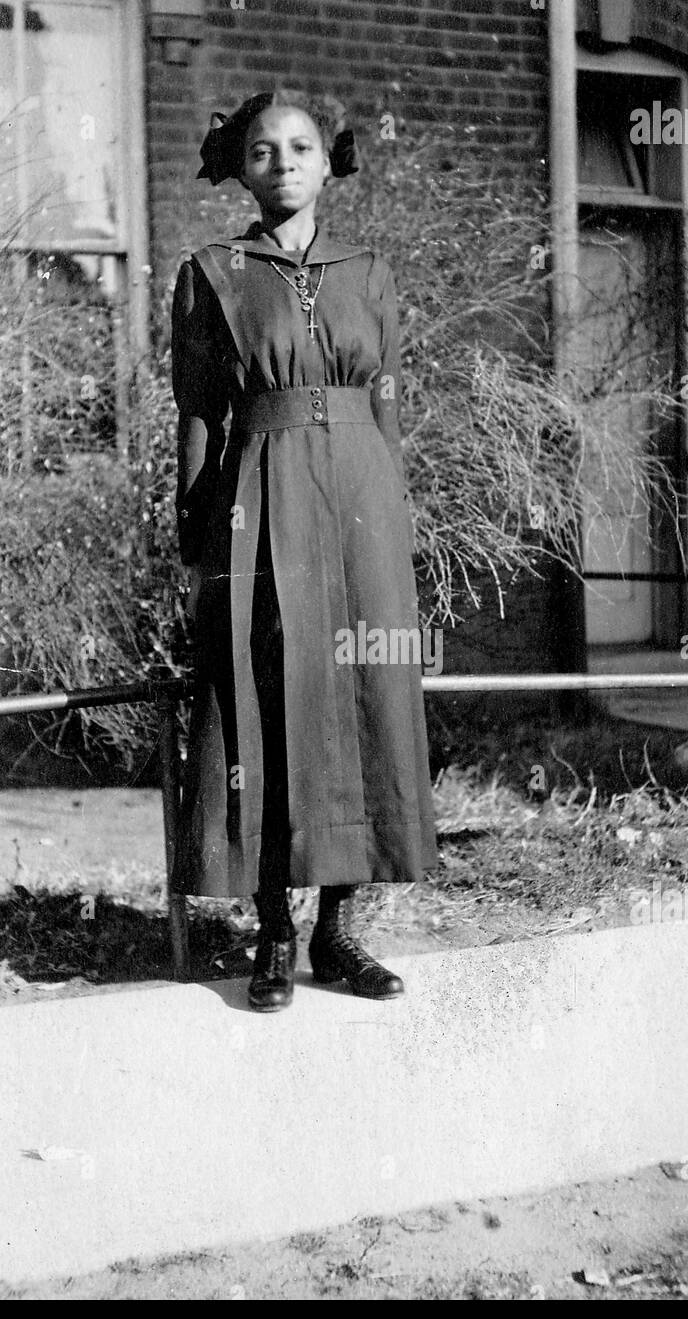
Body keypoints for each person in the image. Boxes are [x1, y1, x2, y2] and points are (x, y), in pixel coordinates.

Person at [170, 88, 438, 1012]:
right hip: (259, 495)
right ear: (239, 169)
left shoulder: (370, 270)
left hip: (363, 502)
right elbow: (201, 416)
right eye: (260, 150)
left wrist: (395, 519)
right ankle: (275, 935)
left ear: (330, 162)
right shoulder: (212, 272)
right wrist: (195, 544)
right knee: (267, 702)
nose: (281, 161)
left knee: (363, 702)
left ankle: (339, 933)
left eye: (300, 147)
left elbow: (389, 404)